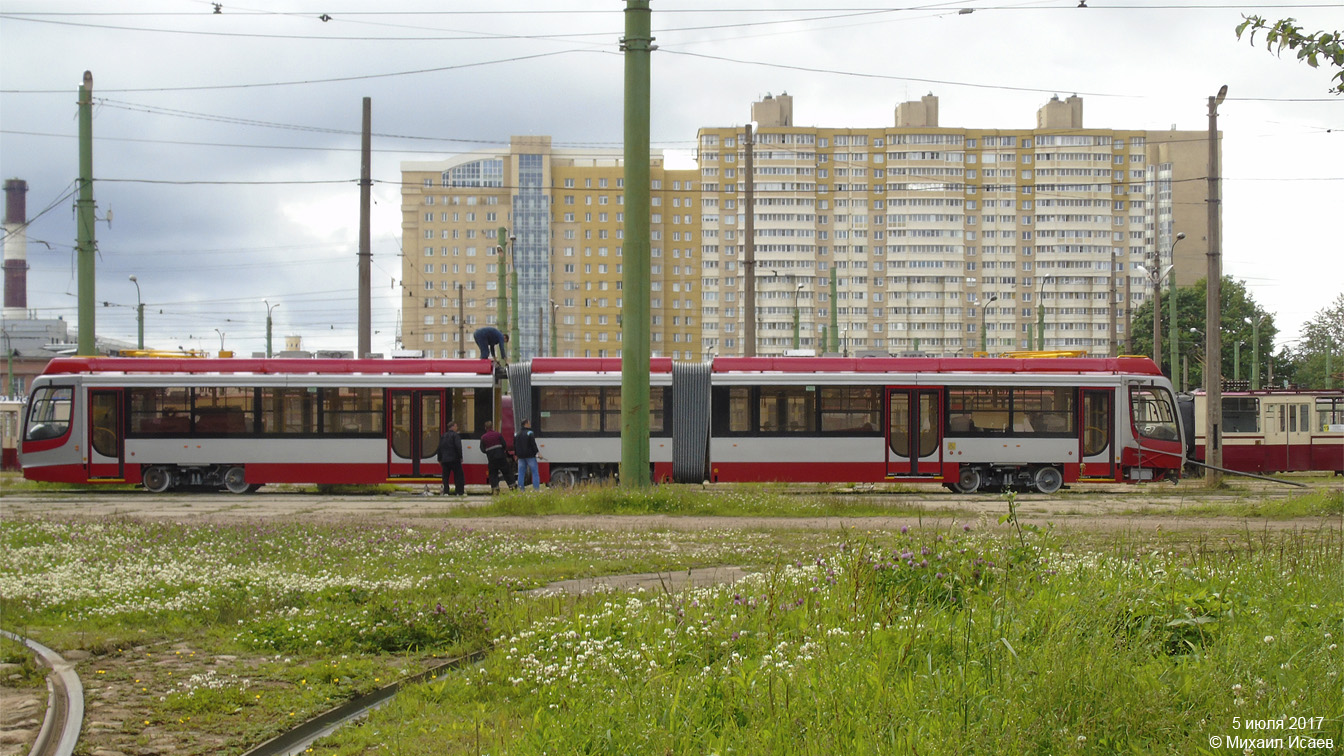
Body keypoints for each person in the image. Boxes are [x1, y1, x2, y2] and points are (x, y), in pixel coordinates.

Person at [478, 420, 512, 493]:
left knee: (493, 474)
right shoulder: (498, 434)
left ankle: (495, 489)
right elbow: (504, 444)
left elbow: (482, 449)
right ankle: (512, 487)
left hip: (492, 459)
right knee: (507, 472)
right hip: (501, 457)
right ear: (492, 427)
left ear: (485, 428)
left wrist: (488, 452)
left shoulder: (483, 437)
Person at [437, 421, 464, 495]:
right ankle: (459, 491)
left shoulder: (443, 436)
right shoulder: (456, 436)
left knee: (445, 477)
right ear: (452, 427)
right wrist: (460, 457)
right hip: (454, 459)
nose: (456, 428)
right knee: (458, 476)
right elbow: (458, 447)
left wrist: (439, 459)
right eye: (456, 426)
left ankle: (446, 491)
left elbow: (439, 448)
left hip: (445, 460)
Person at [514, 418, 541, 491]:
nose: (530, 424)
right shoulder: (530, 433)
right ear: (526, 424)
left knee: (521, 473)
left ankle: (521, 489)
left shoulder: (517, 434)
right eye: (529, 423)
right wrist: (538, 453)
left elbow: (515, 446)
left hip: (521, 457)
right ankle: (536, 489)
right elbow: (533, 445)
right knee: (535, 472)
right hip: (530, 456)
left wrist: (516, 455)